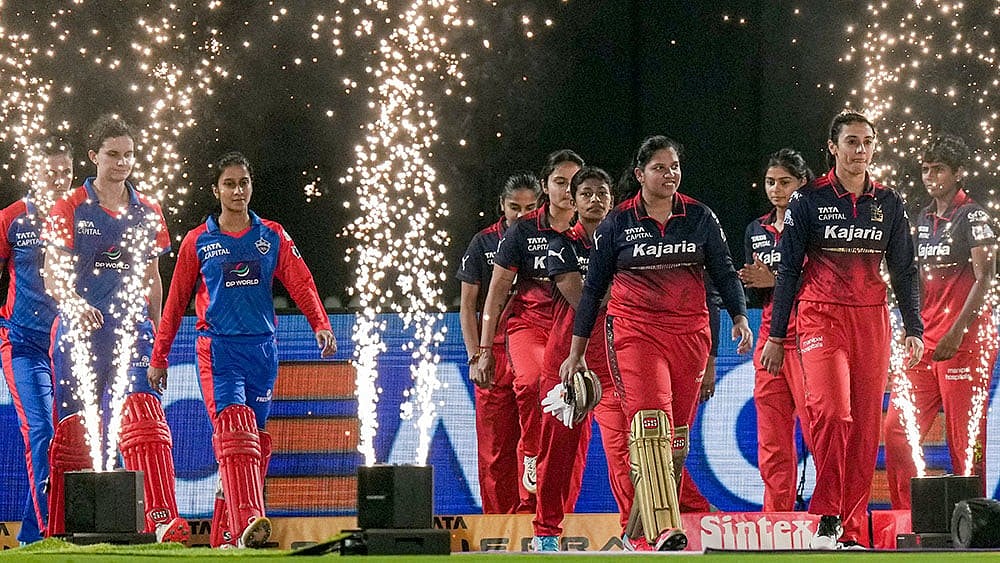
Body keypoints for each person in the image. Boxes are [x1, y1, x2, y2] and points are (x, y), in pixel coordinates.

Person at [560, 135, 753, 551]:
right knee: (651, 427)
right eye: (659, 168)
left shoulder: (700, 216)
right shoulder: (618, 223)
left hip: (690, 335)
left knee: (676, 442)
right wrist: (576, 353)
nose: (670, 175)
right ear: (639, 174)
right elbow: (593, 291)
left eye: (675, 167)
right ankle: (664, 529)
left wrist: (739, 316)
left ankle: (634, 534)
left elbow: (723, 272)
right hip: (635, 332)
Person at [147, 151, 336, 548]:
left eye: (243, 183)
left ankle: (229, 535)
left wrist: (320, 324)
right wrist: (159, 357)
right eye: (229, 184)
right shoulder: (199, 241)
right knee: (235, 429)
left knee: (255, 441)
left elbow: (301, 281)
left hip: (263, 352)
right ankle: (249, 516)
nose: (237, 191)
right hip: (219, 351)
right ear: (216, 190)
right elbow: (176, 300)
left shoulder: (272, 235)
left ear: (251, 187)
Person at [759, 110, 923, 549]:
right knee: (832, 413)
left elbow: (904, 269)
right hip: (819, 315)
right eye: (851, 142)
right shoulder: (808, 199)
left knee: (866, 428)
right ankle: (827, 514)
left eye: (867, 142)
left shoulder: (888, 201)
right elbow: (789, 270)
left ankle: (850, 530)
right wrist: (776, 335)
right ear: (833, 147)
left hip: (871, 318)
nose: (860, 150)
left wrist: (914, 327)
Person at [42, 114, 189, 542]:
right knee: (74, 433)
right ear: (93, 157)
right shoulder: (69, 206)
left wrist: (159, 339)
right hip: (78, 335)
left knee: (143, 413)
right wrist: (74, 303)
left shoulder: (149, 211)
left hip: (131, 332)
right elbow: (53, 273)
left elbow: (153, 279)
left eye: (128, 155)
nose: (122, 163)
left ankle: (162, 519)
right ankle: (62, 529)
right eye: (113, 155)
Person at [883, 134, 997, 507]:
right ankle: (907, 515)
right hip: (925, 341)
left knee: (964, 440)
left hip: (964, 342)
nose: (931, 177)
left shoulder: (973, 215)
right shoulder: (923, 217)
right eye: (926, 170)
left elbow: (986, 276)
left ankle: (974, 521)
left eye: (939, 170)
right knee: (897, 430)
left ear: (958, 173)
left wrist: (957, 331)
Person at [475, 149, 584, 513]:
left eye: (574, 183)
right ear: (545, 186)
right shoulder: (523, 230)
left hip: (578, 332)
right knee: (534, 381)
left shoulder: (595, 228)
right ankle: (533, 455)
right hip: (530, 323)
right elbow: (496, 290)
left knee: (577, 416)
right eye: (560, 182)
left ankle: (560, 514)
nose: (568, 190)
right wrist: (485, 348)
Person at [532, 167, 632, 551]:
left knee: (623, 449)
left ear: (611, 199)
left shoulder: (623, 243)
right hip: (567, 366)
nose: (594, 200)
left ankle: (632, 531)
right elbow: (584, 301)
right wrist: (625, 285)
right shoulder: (560, 246)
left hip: (613, 364)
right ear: (573, 201)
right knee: (557, 454)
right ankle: (545, 533)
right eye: (586, 193)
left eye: (601, 193)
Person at [0, 137, 74, 543]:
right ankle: (49, 535)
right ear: (35, 172)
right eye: (51, 171)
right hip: (22, 345)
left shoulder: (83, 215)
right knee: (42, 433)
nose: (59, 179)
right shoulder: (13, 218)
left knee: (67, 440)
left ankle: (33, 534)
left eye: (66, 171)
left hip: (68, 349)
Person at [456, 172, 540, 514]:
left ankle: (533, 521)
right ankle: (497, 528)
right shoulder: (483, 242)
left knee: (532, 446)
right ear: (501, 206)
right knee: (494, 451)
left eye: (531, 207)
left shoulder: (550, 241)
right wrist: (476, 355)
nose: (521, 215)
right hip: (493, 357)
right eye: (514, 207)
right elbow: (467, 305)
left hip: (533, 352)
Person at [738, 148, 815, 511]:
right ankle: (777, 519)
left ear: (802, 183)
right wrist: (756, 283)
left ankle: (835, 517)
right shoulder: (756, 229)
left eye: (785, 182)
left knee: (819, 431)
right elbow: (763, 284)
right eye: (771, 182)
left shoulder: (818, 224)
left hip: (810, 338)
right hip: (770, 340)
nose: (776, 189)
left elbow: (823, 280)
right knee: (772, 438)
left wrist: (774, 279)